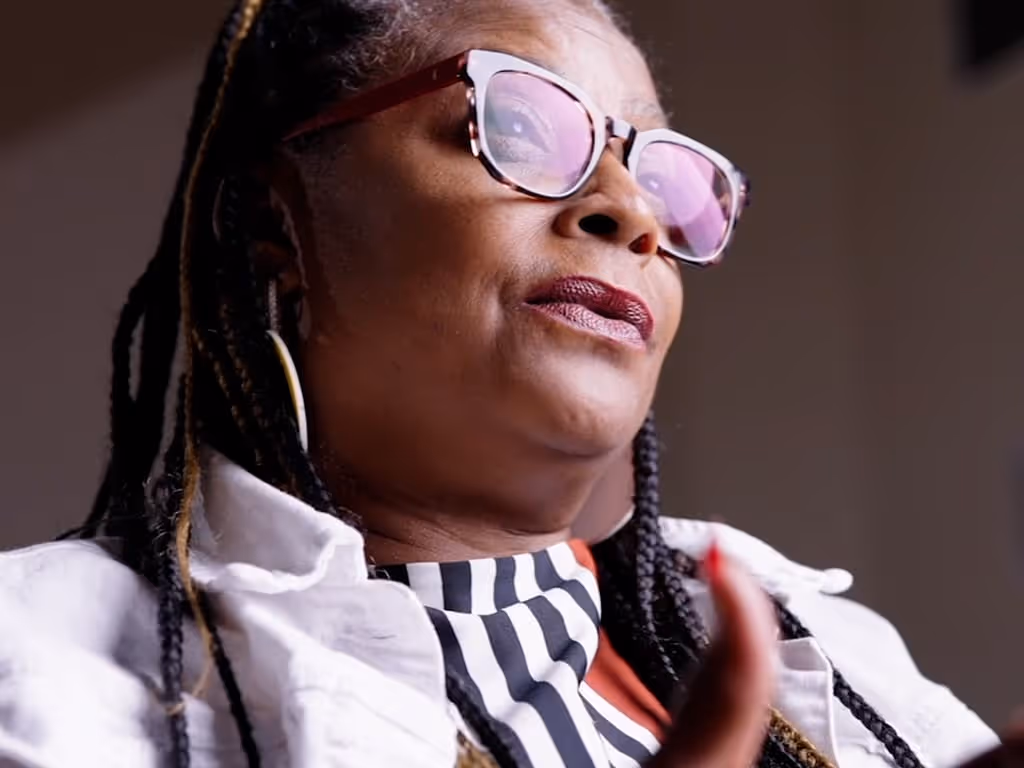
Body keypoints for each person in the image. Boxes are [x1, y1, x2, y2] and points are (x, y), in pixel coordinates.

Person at [0, 0, 1018, 766]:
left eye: (663, 179)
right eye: (523, 128)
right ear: (279, 225)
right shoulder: (39, 657)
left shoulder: (831, 656)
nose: (632, 211)